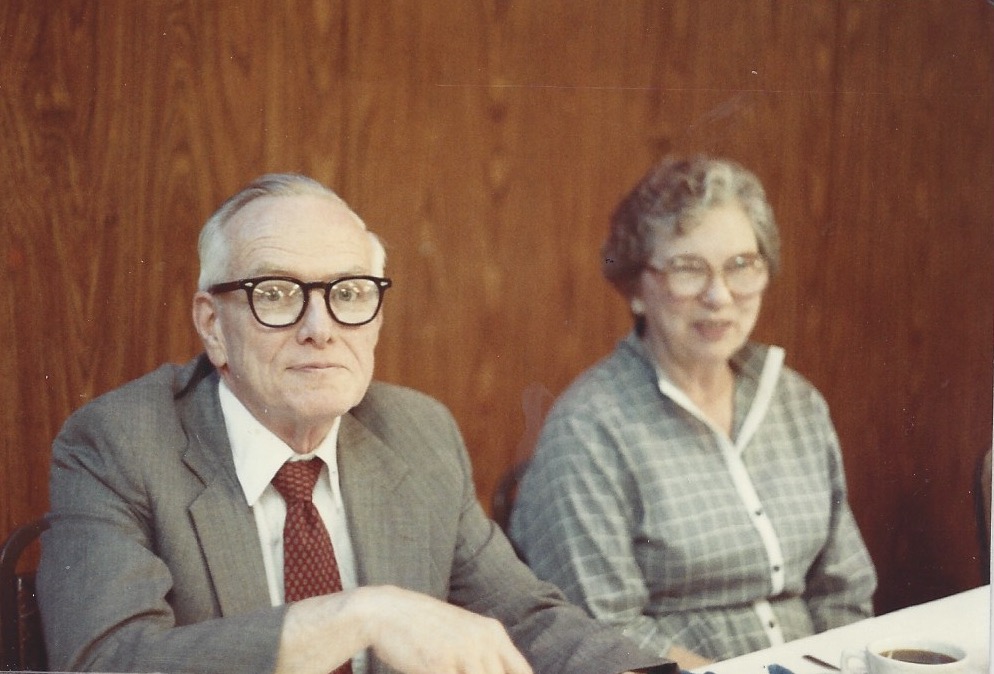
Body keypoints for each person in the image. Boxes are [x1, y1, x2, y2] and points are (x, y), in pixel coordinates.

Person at [37, 173, 675, 674]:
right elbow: (104, 664)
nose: (321, 329)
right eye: (277, 294)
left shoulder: (417, 432)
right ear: (213, 325)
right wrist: (357, 616)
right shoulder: (118, 443)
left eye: (348, 293)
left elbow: (526, 620)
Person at [508, 155, 877, 669]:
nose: (719, 295)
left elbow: (844, 590)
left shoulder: (797, 402)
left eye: (741, 265)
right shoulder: (588, 428)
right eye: (688, 268)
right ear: (637, 288)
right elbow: (603, 633)